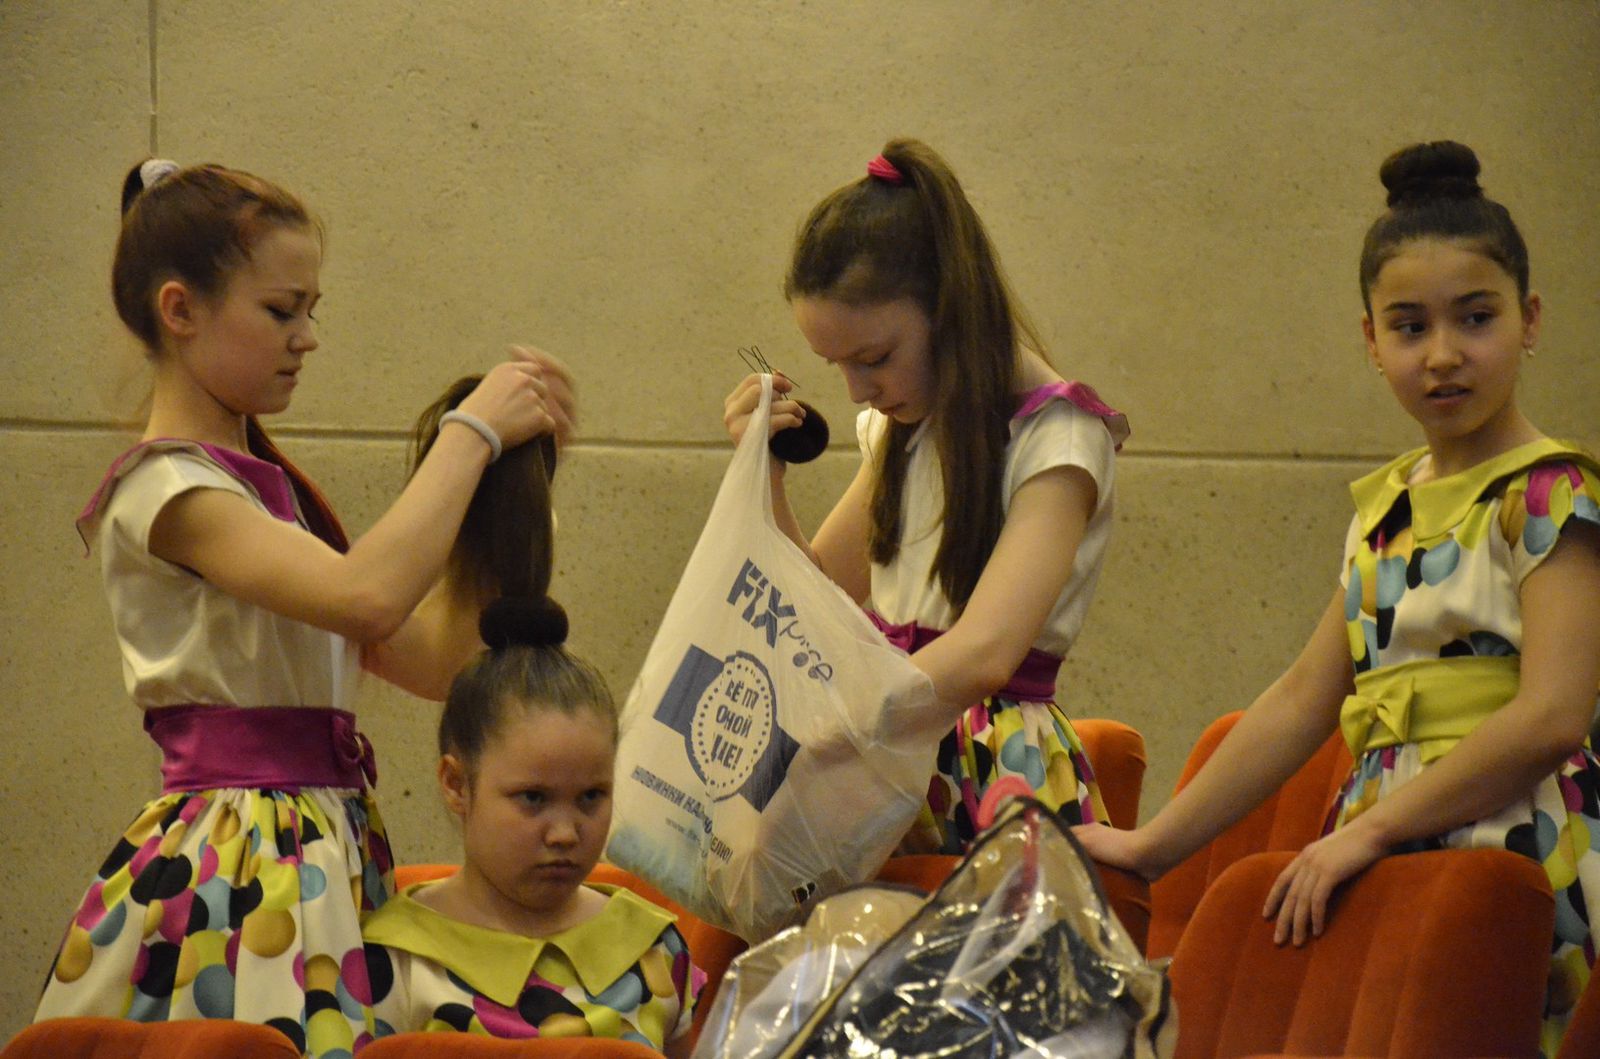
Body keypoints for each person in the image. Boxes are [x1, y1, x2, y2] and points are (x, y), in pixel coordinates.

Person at [35, 158, 572, 1058]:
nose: (307, 337)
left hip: (319, 845)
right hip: (240, 863)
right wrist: (471, 433)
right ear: (180, 309)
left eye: (311, 310)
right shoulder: (167, 489)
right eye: (282, 310)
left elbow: (435, 659)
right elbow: (368, 596)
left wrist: (511, 487)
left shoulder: (266, 497)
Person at [1076, 140, 1600, 1054]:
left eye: (1476, 318)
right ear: (1370, 340)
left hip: (1522, 845)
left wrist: (1373, 829)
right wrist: (1153, 845)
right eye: (1409, 327)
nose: (1444, 354)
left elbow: (1553, 714)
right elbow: (1298, 703)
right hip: (1376, 843)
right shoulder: (1381, 510)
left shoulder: (1553, 491)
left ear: (1530, 319)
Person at [723, 138, 1130, 854]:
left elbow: (985, 652)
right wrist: (765, 478)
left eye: (874, 358)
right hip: (891, 757)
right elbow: (817, 604)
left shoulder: (1060, 435)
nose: (858, 390)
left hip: (995, 773)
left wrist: (832, 729)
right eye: (836, 365)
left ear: (949, 305)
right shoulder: (902, 428)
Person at [363, 595, 705, 1054]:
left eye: (591, 797)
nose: (564, 833)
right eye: (533, 798)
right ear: (456, 784)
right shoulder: (393, 960)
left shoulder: (655, 949)